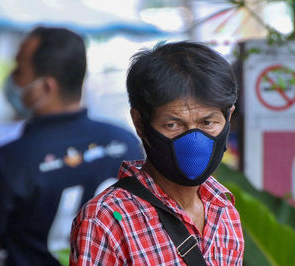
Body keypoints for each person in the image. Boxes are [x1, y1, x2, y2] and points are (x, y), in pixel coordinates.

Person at [70, 41, 244, 265]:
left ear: (228, 118)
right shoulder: (106, 221)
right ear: (140, 123)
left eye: (207, 122)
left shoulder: (224, 209)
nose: (193, 142)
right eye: (173, 125)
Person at [0, 26, 144, 266]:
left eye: (19, 69)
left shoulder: (11, 160)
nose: (12, 78)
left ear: (46, 87)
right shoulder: (126, 143)